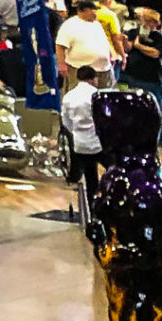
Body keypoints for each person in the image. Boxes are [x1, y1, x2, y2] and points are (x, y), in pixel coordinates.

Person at [65, 62, 105, 210]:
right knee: (114, 167)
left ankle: (92, 210)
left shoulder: (69, 96)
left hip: (80, 145)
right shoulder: (97, 96)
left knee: (90, 177)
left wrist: (77, 132)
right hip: (97, 144)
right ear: (92, 79)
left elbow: (66, 122)